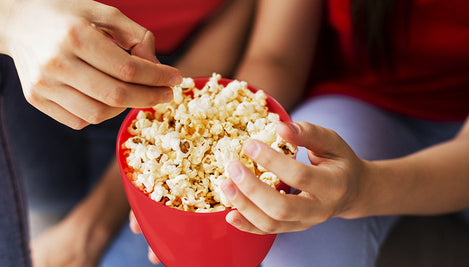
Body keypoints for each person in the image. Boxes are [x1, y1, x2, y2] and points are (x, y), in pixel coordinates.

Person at [130, 0, 469, 266]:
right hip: (358, 101)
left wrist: (362, 189)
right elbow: (277, 56)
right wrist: (218, 154)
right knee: (289, 230)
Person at [0, 0, 255, 266]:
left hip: (167, 110)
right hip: (21, 89)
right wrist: (11, 22)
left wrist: (92, 225)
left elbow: (248, 23)